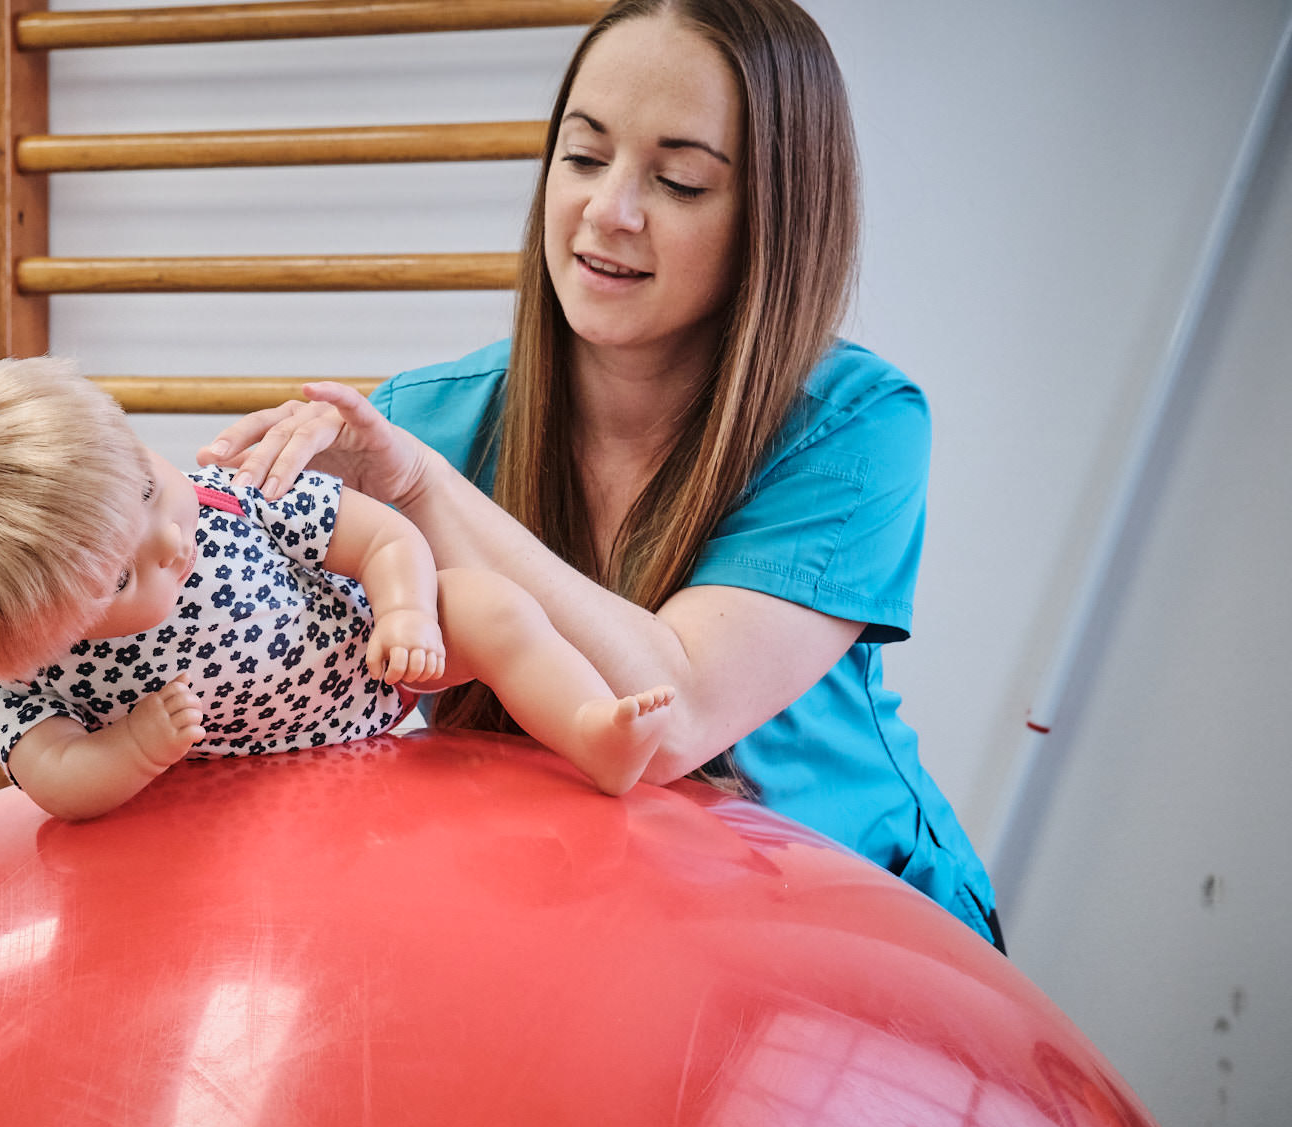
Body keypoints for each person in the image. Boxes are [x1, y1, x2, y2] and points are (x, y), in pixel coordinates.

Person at [197, 0, 1003, 947]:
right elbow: (267, 685)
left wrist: (421, 492)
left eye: (680, 182)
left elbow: (677, 711)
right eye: (583, 159)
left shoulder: (858, 423)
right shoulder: (426, 418)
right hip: (569, 937)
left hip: (842, 935)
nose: (608, 212)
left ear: (774, 219)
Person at [0, 357, 677, 820]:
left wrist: (403, 610)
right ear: (38, 637)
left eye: (145, 489)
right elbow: (56, 780)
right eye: (117, 577)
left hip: (372, 670)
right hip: (259, 799)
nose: (172, 543)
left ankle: (588, 730)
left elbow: (383, 534)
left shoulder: (225, 499)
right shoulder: (23, 676)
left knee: (493, 609)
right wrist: (131, 750)